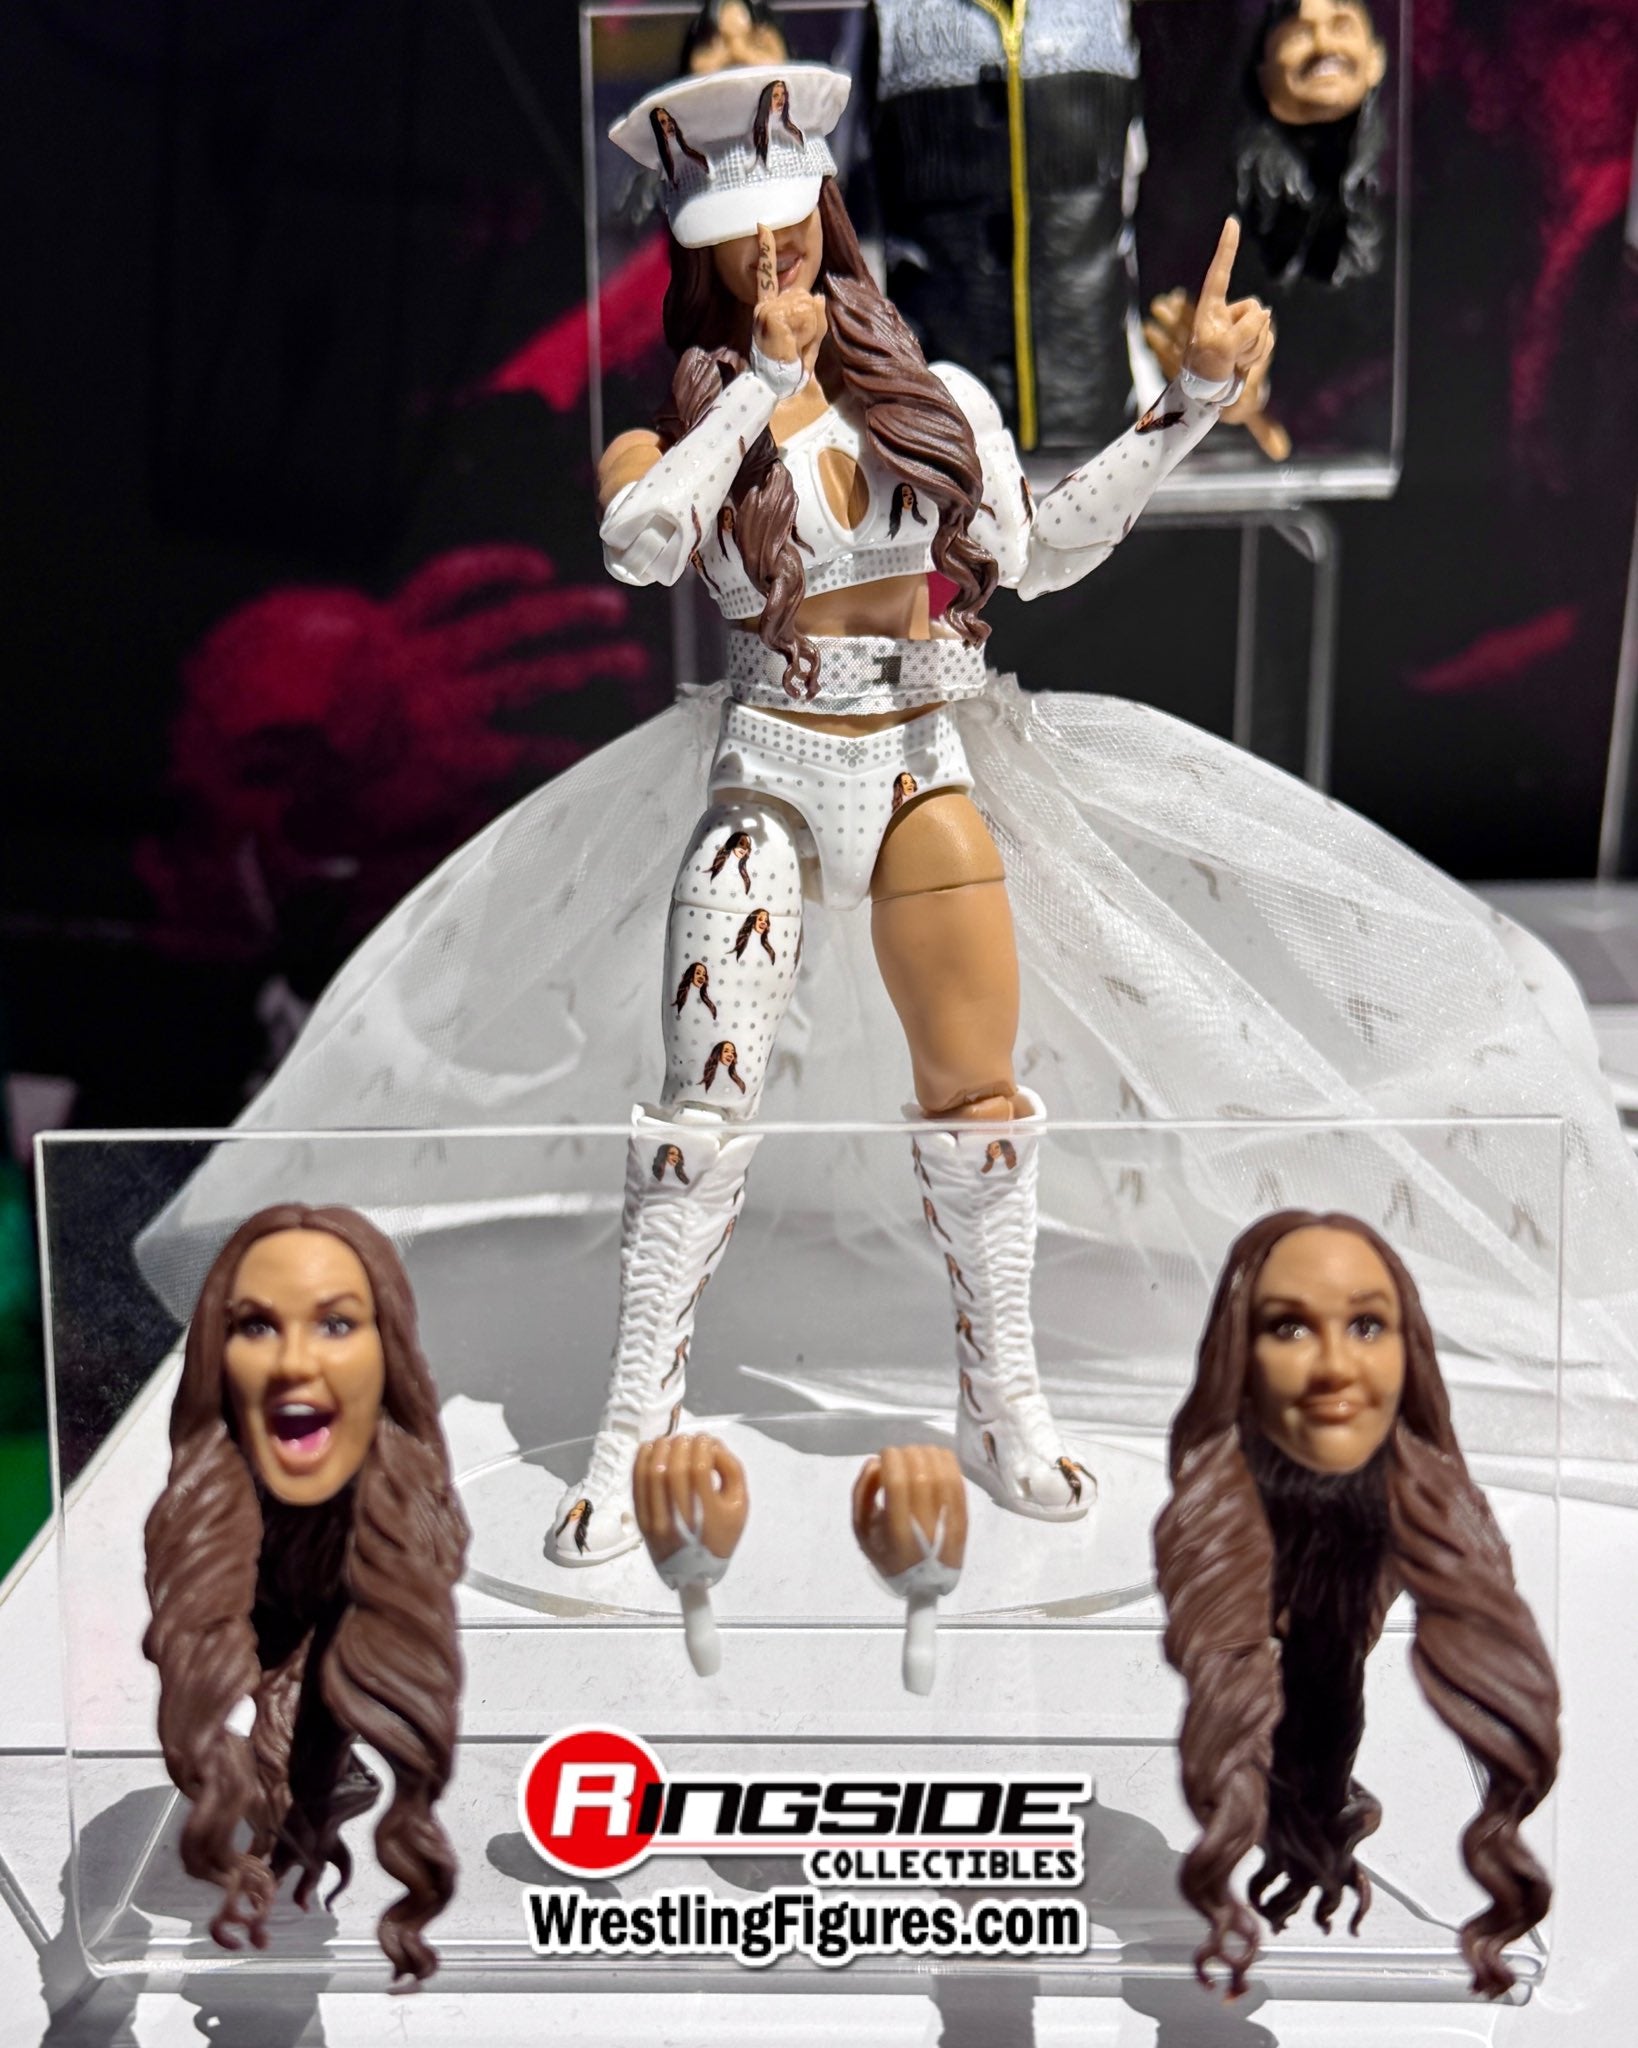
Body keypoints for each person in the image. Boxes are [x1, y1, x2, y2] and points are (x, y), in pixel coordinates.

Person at [1153, 1211, 1559, 1999]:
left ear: (1410, 1353)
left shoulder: (1424, 1520)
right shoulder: (1215, 1528)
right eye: (1289, 1328)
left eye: (1368, 1325)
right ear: (1241, 1357)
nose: (1336, 1366)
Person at [142, 1204, 469, 1981]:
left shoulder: (411, 1528)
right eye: (256, 1326)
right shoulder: (207, 1537)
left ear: (387, 1353)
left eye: (335, 1324)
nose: (294, 1361)